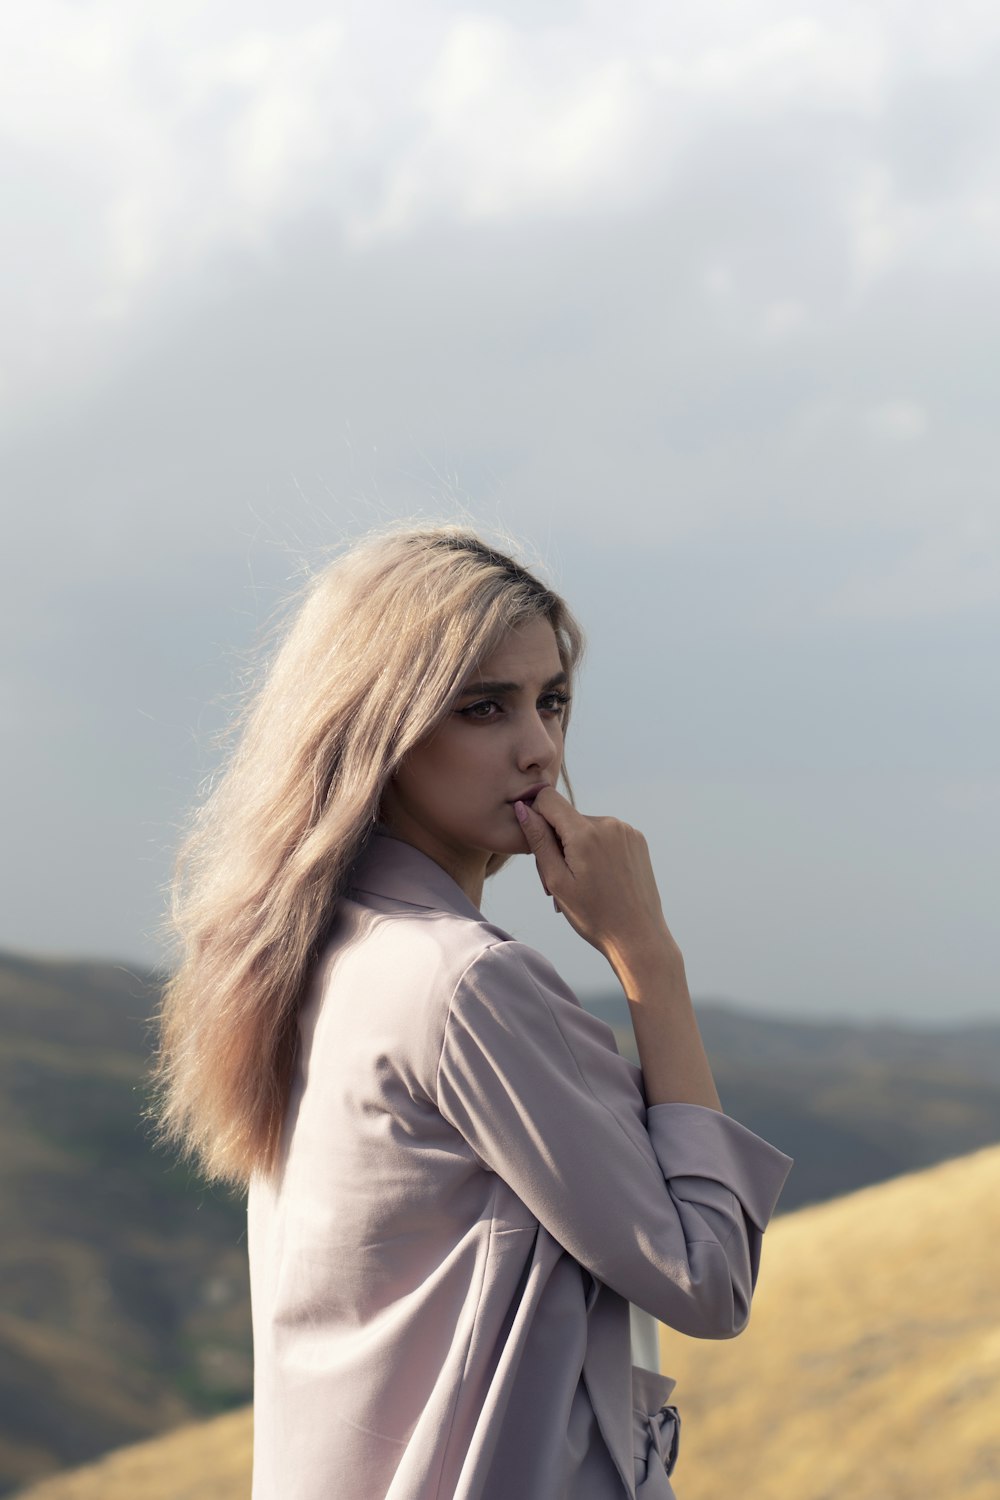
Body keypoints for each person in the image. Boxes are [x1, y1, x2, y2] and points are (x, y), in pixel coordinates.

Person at [151, 522, 793, 1500]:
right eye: (484, 708)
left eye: (553, 702)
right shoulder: (465, 984)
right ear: (380, 725)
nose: (540, 749)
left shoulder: (303, 951)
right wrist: (647, 957)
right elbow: (708, 1278)